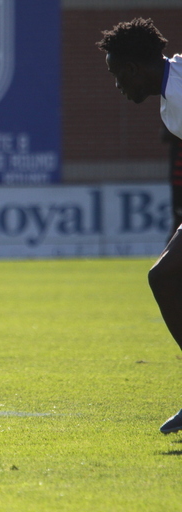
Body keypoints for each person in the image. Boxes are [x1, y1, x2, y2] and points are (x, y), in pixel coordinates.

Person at [97, 18, 182, 435]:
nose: (118, 86)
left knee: (165, 276)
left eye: (117, 75)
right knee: (165, 276)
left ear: (133, 69)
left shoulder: (179, 94)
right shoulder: (174, 83)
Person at [161, 125, 182, 239]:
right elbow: (164, 135)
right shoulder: (175, 118)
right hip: (178, 181)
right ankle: (173, 252)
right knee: (178, 220)